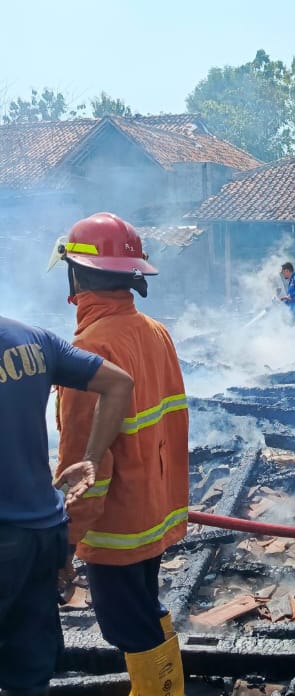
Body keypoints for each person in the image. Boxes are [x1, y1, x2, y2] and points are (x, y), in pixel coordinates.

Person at [51, 212, 189, 694]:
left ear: (76, 276)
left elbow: (83, 464)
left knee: (127, 625)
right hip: (152, 511)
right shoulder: (154, 330)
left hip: (117, 527)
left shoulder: (89, 350)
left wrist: (66, 543)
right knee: (144, 610)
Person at [0, 314, 132, 696]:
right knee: (28, 674)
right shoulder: (34, 339)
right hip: (43, 530)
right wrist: (92, 457)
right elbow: (119, 383)